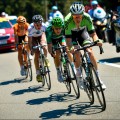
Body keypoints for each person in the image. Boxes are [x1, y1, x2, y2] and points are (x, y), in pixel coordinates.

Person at [64, 2, 106, 90]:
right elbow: (68, 40)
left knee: (89, 52)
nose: (78, 18)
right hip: (72, 36)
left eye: (79, 16)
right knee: (77, 53)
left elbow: (93, 34)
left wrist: (96, 40)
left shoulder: (87, 17)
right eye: (75, 16)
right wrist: (71, 48)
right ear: (72, 15)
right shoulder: (67, 21)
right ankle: (79, 77)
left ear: (83, 14)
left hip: (83, 33)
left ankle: (98, 79)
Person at [45, 17, 75, 83]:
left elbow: (68, 38)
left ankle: (73, 66)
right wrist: (52, 53)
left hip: (62, 38)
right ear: (52, 27)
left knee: (67, 49)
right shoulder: (48, 31)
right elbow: (49, 45)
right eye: (56, 28)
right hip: (53, 40)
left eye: (59, 28)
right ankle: (58, 71)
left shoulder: (64, 27)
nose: (58, 30)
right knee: (57, 53)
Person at [28, 15, 50, 82]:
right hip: (33, 38)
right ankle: (38, 73)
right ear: (34, 24)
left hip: (41, 35)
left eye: (40, 24)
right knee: (37, 53)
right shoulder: (30, 28)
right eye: (37, 25)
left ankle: (45, 59)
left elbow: (48, 35)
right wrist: (31, 49)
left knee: (44, 46)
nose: (39, 26)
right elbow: (29, 41)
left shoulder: (44, 26)